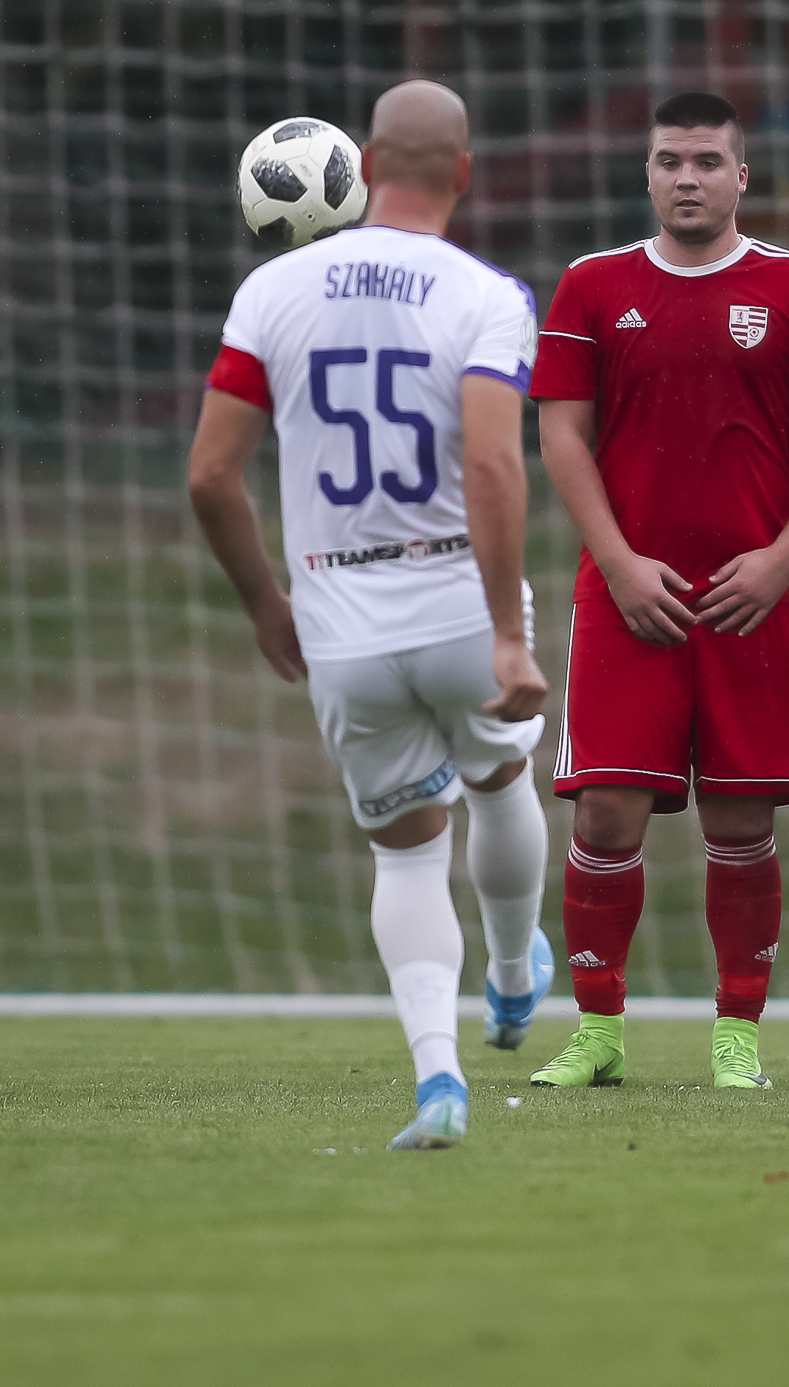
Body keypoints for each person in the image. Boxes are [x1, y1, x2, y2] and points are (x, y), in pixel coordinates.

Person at [186, 80, 553, 1152]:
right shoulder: (487, 293)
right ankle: (516, 973)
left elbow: (212, 478)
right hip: (450, 597)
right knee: (498, 778)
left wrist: (266, 602)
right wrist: (506, 633)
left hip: (338, 617)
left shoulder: (270, 293)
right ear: (465, 172)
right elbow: (489, 459)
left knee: (401, 857)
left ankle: (437, 1080)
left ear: (367, 163)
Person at [526, 91, 789, 1091]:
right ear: (647, 174)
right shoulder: (593, 286)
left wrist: (782, 561)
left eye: (707, 161)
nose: (688, 177)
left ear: (740, 176)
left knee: (740, 822)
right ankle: (596, 1035)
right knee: (603, 817)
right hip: (624, 596)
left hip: (749, 599)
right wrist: (620, 562)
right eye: (671, 160)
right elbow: (559, 433)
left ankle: (736, 1040)